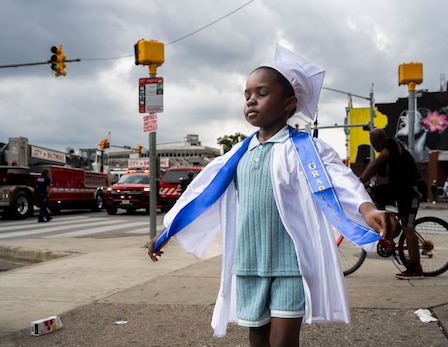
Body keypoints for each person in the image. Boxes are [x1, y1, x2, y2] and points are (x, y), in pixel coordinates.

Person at [148, 44, 399, 346]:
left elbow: (340, 179)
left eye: (262, 93)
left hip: (290, 265)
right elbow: (199, 192)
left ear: (288, 104)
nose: (251, 100)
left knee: (282, 342)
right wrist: (167, 230)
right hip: (249, 264)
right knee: (258, 338)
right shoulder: (237, 154)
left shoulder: (306, 149)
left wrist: (367, 210)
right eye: (247, 95)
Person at [360, 128, 426, 280]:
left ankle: (416, 268)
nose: (373, 146)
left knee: (408, 228)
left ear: (377, 141)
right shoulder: (387, 153)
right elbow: (380, 170)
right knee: (371, 192)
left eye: (372, 142)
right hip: (399, 191)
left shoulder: (391, 145)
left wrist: (360, 180)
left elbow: (377, 163)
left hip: (412, 190)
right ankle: (385, 226)